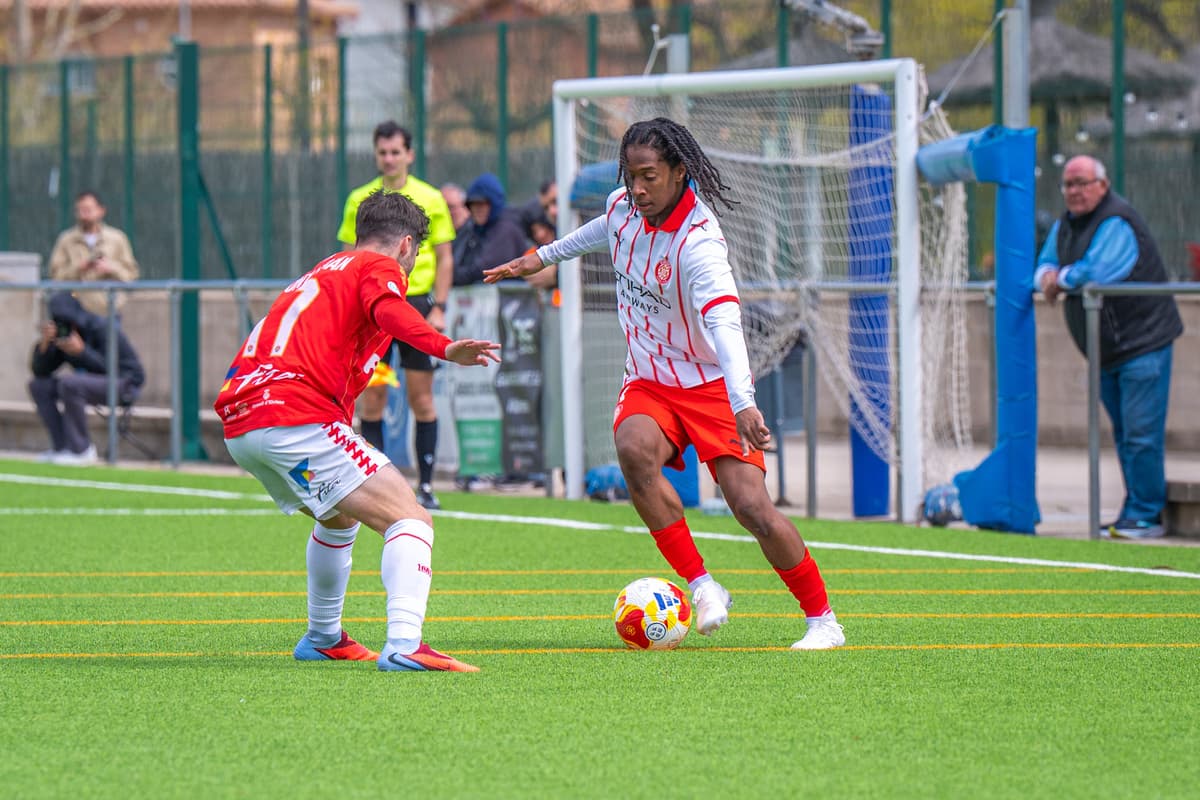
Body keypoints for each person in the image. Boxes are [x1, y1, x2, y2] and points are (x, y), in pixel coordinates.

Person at [484, 117, 844, 650]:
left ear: (679, 172)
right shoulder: (622, 207)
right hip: (650, 381)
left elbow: (724, 325)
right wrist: (542, 257)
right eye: (631, 176)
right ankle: (702, 584)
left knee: (749, 505)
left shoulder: (701, 245)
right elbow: (598, 230)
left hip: (711, 387)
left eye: (649, 176)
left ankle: (823, 620)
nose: (638, 188)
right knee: (632, 449)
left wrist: (743, 402)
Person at [216, 190, 500, 672]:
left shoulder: (322, 271)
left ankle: (324, 636)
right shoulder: (378, 269)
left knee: (337, 518)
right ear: (406, 246)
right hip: (293, 416)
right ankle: (406, 643)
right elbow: (391, 311)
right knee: (411, 519)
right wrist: (444, 346)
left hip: (244, 422)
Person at [1034, 155, 1183, 540]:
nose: (1075, 191)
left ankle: (1146, 515)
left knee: (1140, 434)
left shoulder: (1117, 219)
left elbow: (1096, 271)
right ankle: (1133, 512)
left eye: (1082, 182)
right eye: (1068, 184)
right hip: (1106, 352)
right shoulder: (1065, 225)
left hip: (1142, 345)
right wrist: (1048, 276)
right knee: (1124, 433)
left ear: (1103, 184)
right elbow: (1045, 264)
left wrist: (1060, 278)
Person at [337, 120, 455, 510]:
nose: (389, 159)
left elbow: (444, 257)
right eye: (382, 152)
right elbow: (347, 256)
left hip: (416, 306)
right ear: (376, 155)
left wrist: (438, 307)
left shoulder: (431, 198)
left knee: (422, 399)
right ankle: (375, 482)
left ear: (409, 154)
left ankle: (425, 486)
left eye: (395, 152)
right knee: (374, 398)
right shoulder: (359, 198)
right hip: (374, 310)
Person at [29, 291, 146, 465]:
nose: (64, 326)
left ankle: (81, 450)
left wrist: (82, 352)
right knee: (39, 386)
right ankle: (62, 448)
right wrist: (44, 347)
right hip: (91, 385)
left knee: (70, 383)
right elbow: (40, 372)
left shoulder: (101, 327)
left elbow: (112, 369)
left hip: (126, 383)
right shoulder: (63, 335)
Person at [48, 190, 139, 316]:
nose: (83, 215)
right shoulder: (66, 240)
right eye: (80, 210)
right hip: (76, 307)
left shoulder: (117, 238)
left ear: (101, 210)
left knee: (107, 332)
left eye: (88, 210)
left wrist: (110, 268)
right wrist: (80, 268)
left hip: (109, 307)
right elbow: (55, 277)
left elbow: (131, 275)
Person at [452, 173, 529, 287]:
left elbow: (485, 269)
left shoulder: (506, 229)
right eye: (473, 204)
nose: (477, 209)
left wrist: (450, 276)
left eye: (482, 204)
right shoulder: (472, 228)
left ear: (493, 204)